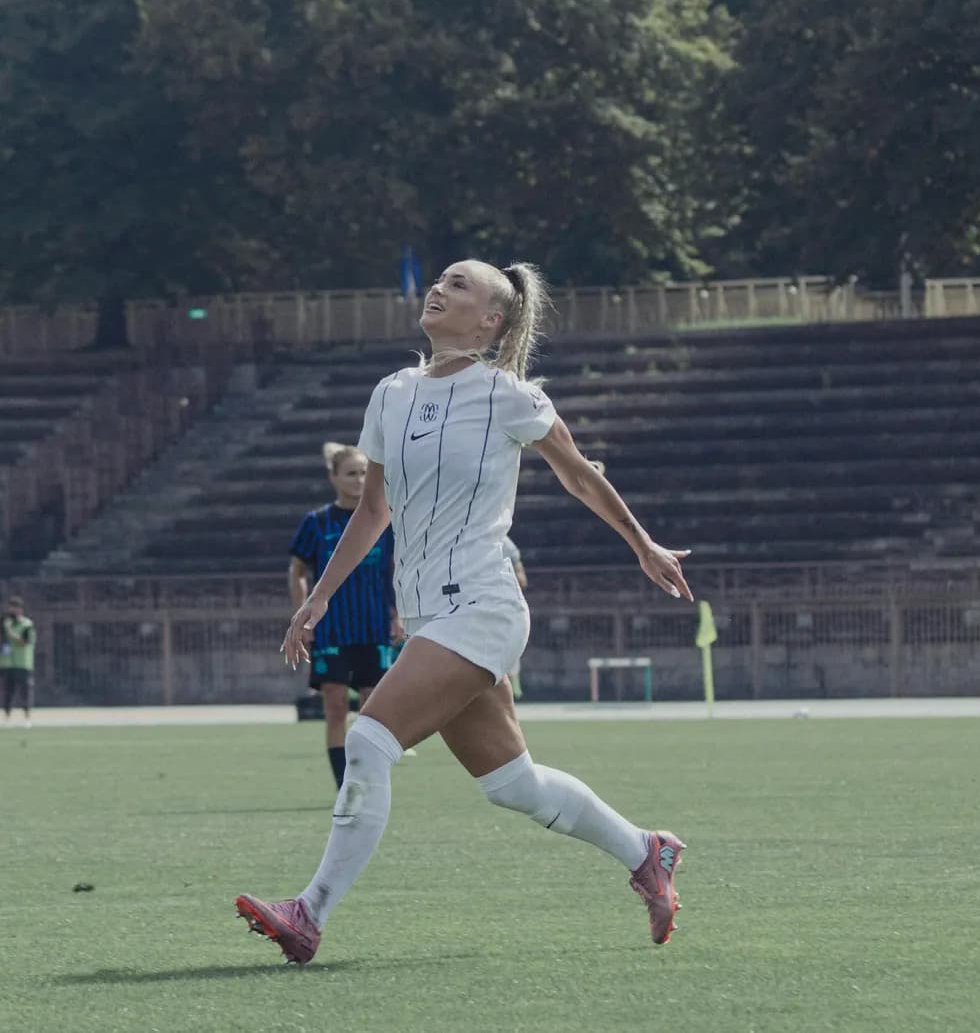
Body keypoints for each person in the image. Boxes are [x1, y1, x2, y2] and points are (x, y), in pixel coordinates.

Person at [233, 260, 695, 964]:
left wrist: (643, 544)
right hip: (429, 617)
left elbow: (578, 475)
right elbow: (374, 511)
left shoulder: (509, 395)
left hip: (483, 606)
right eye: (440, 280)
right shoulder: (391, 393)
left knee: (368, 741)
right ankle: (646, 850)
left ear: (490, 321)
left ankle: (309, 911)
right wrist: (320, 595)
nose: (438, 289)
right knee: (514, 785)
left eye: (457, 285)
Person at [290, 442, 402, 786]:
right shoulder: (317, 522)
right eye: (351, 473)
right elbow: (297, 570)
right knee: (336, 705)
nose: (359, 479)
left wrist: (398, 614)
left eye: (364, 472)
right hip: (332, 629)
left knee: (374, 709)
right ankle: (344, 785)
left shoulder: (384, 519)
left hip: (374, 626)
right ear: (334, 477)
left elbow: (395, 569)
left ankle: (369, 778)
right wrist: (303, 614)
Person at [0, 597, 37, 727]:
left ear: (21, 609)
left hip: (23, 663)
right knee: (8, 692)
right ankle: (7, 718)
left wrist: (11, 633)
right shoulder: (7, 623)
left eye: (15, 608)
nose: (12, 611)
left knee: (25, 692)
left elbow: (25, 642)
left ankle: (27, 718)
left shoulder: (27, 624)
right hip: (8, 663)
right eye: (11, 608)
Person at [500, 535, 527, 699]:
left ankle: (514, 685)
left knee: (510, 649)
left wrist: (518, 574)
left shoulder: (502, 540)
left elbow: (522, 578)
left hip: (506, 606)